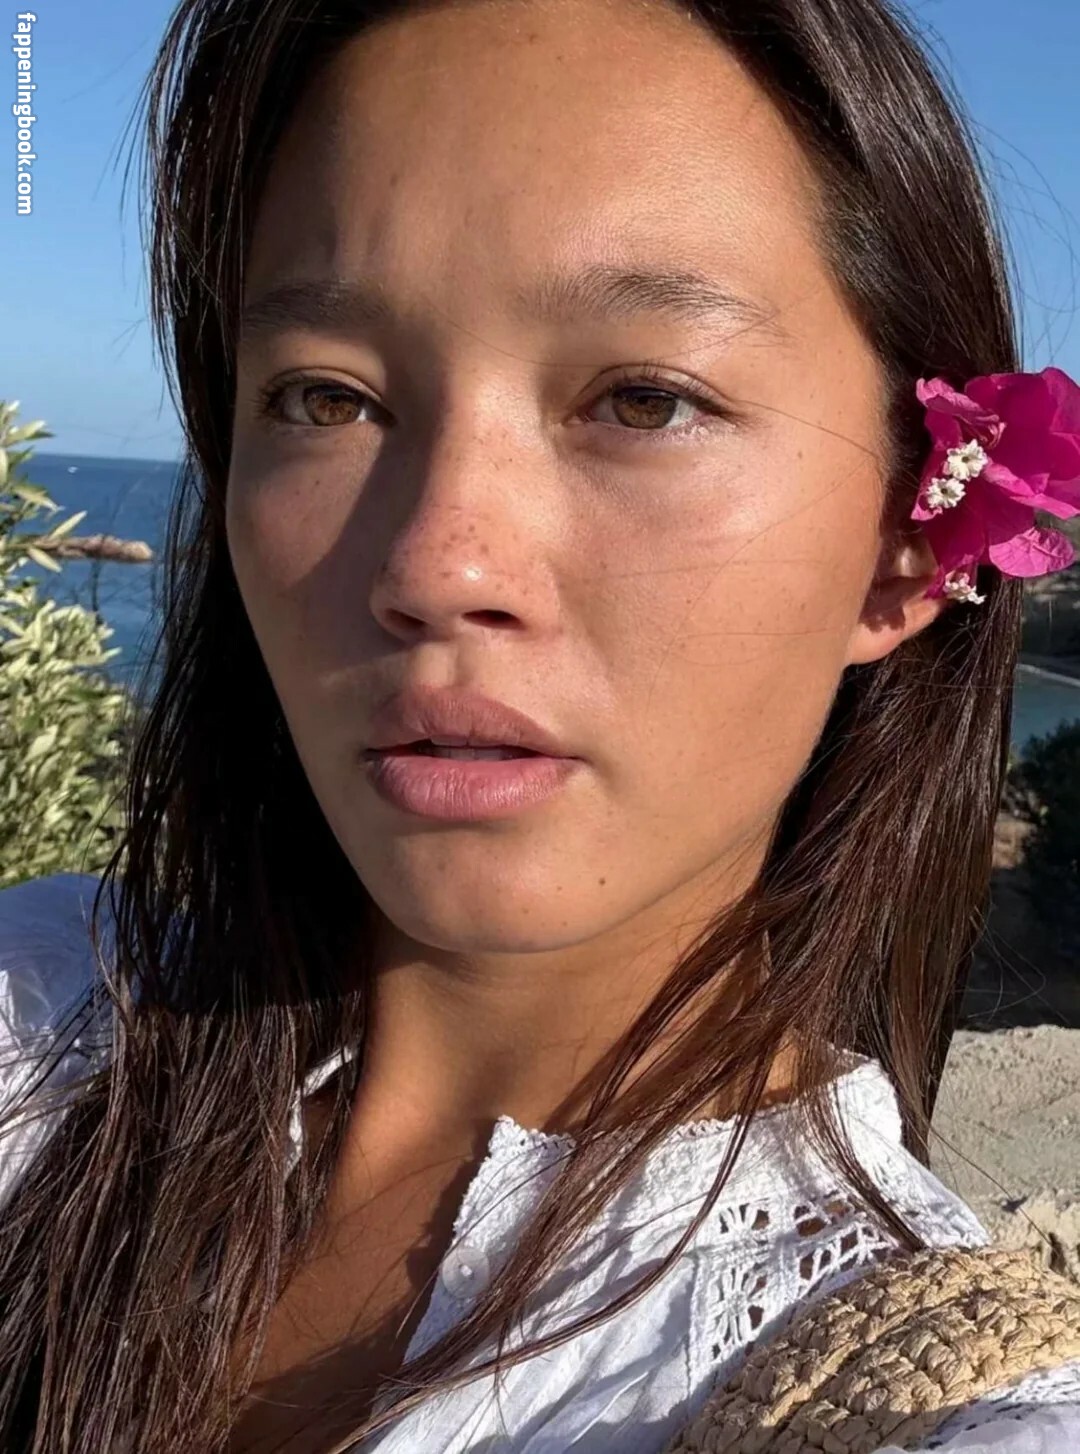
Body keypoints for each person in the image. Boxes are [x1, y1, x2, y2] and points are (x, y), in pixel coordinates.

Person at [1, 0, 1078, 1449]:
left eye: (644, 400)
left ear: (908, 545)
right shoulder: (43, 1017)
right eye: (325, 397)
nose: (437, 565)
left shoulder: (935, 1406)